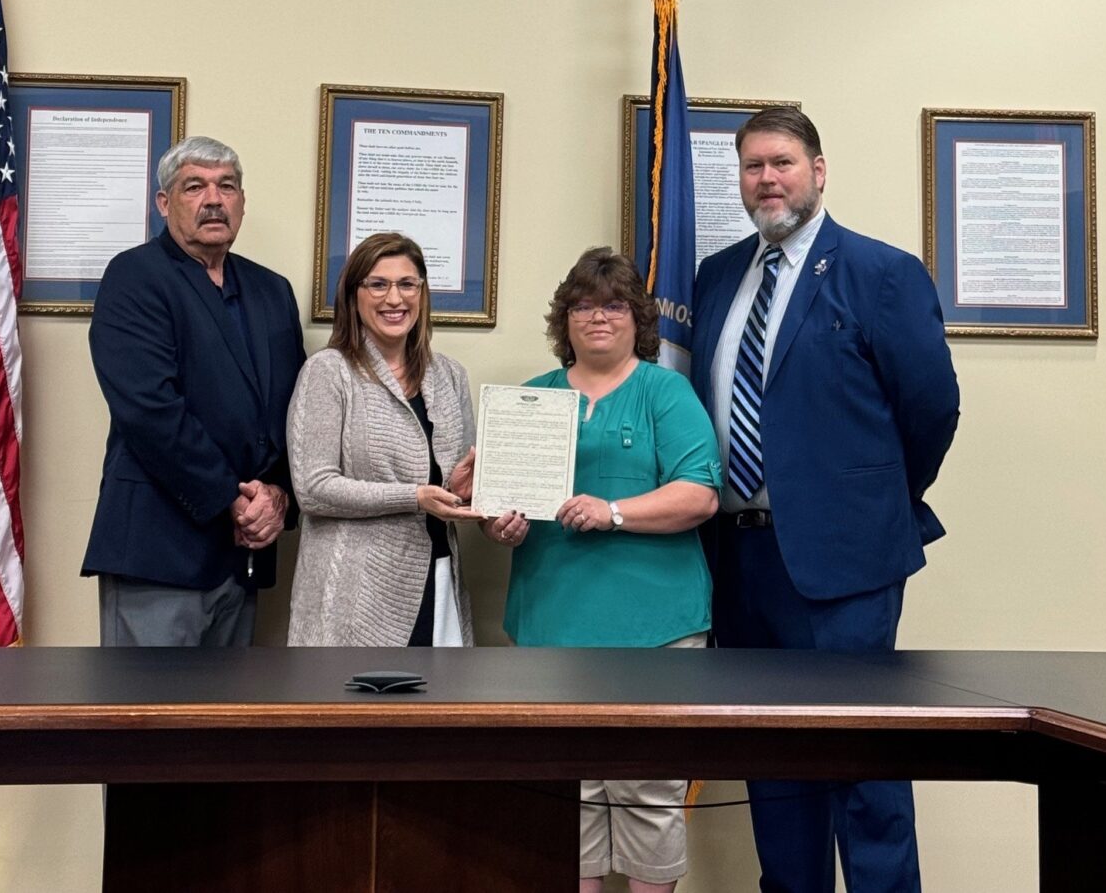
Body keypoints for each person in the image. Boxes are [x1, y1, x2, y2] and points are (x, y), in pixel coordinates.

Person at [692, 107, 960, 893]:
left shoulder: (880, 271)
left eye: (781, 161)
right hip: (740, 558)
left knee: (862, 764)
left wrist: (870, 498)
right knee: (773, 766)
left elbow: (932, 407)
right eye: (752, 166)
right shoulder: (715, 276)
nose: (767, 179)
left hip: (846, 559)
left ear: (818, 168)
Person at [487, 247, 720, 893]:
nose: (597, 317)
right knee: (569, 794)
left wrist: (613, 510)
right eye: (584, 305)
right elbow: (502, 510)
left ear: (636, 318)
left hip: (656, 631)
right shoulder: (530, 399)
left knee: (648, 791)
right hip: (551, 625)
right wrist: (494, 522)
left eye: (613, 305)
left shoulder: (664, 390)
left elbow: (700, 493)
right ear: (565, 318)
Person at [81, 136, 305, 647]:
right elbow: (150, 410)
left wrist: (276, 495)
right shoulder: (135, 276)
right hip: (159, 547)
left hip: (245, 551)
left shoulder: (272, 290)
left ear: (242, 202)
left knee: (223, 724)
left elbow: (293, 409)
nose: (213, 199)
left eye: (227, 186)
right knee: (148, 718)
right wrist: (232, 499)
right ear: (164, 202)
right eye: (194, 186)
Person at [286, 231, 479, 646]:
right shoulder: (328, 372)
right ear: (354, 295)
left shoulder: (449, 377)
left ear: (423, 294)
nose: (395, 298)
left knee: (439, 707)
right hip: (354, 596)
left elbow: (450, 490)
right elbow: (313, 489)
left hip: (439, 579)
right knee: (356, 710)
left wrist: (464, 492)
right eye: (378, 284)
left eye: (408, 284)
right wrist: (414, 497)